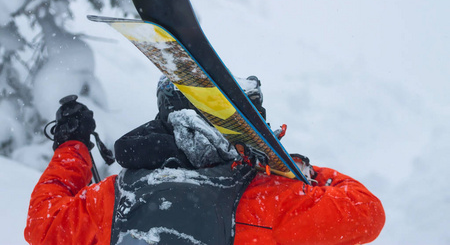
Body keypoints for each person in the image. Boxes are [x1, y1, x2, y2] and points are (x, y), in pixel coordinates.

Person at [25, 76, 385, 245]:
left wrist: (72, 146)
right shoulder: (266, 201)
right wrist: (297, 169)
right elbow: (366, 213)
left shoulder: (115, 197)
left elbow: (42, 225)